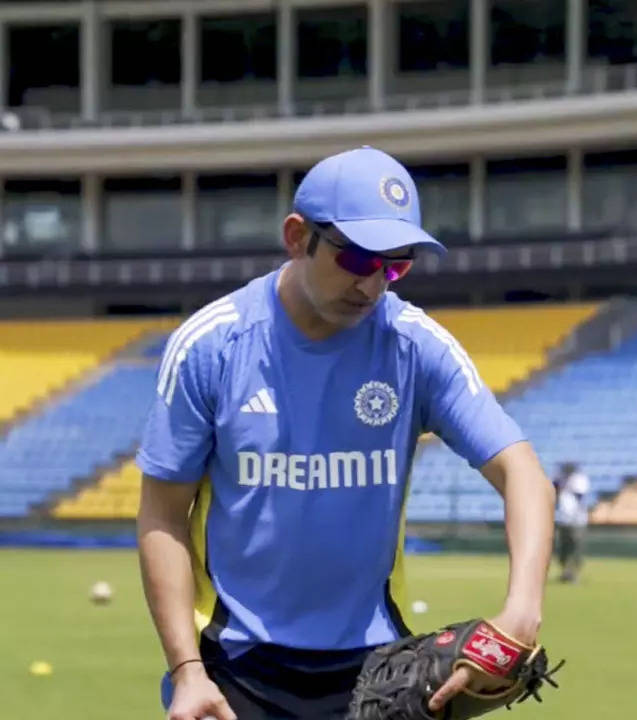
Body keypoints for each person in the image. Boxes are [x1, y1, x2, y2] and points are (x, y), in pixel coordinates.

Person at [135, 146, 555, 720]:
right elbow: (162, 514)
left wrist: (521, 610)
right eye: (357, 258)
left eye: (396, 264)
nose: (373, 284)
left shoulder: (415, 346)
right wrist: (186, 670)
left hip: (377, 672)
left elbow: (523, 472)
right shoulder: (211, 345)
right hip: (234, 666)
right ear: (295, 236)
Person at [553, 462, 592, 583]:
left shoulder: (579, 480)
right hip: (563, 519)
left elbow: (580, 496)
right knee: (563, 547)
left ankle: (574, 573)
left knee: (576, 547)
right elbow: (554, 491)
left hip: (577, 519)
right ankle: (565, 572)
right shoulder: (559, 479)